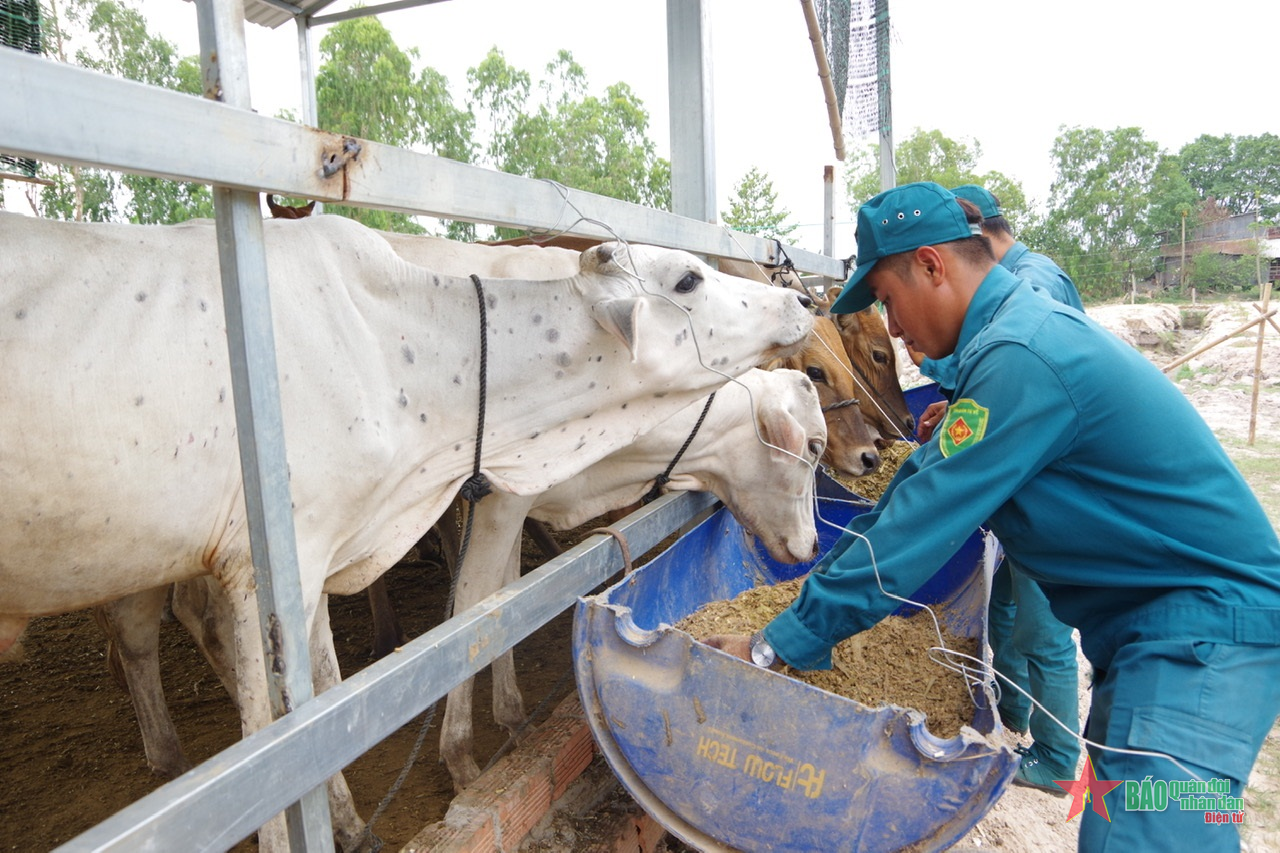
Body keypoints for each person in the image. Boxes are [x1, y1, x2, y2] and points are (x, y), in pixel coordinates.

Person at [707, 182, 1280, 851]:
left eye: (889, 300)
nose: (891, 327)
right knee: (1133, 819)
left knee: (1149, 836)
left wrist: (775, 642)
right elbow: (914, 491)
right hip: (1151, 630)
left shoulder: (1021, 355)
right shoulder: (1006, 350)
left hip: (1201, 634)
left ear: (931, 264)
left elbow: (916, 525)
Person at [927, 183, 1084, 795]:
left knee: (1042, 622)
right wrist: (959, 407)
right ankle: (1016, 713)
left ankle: (1057, 756)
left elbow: (1018, 390)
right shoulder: (1020, 278)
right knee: (1009, 605)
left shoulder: (1030, 286)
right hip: (1030, 480)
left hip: (1048, 488)